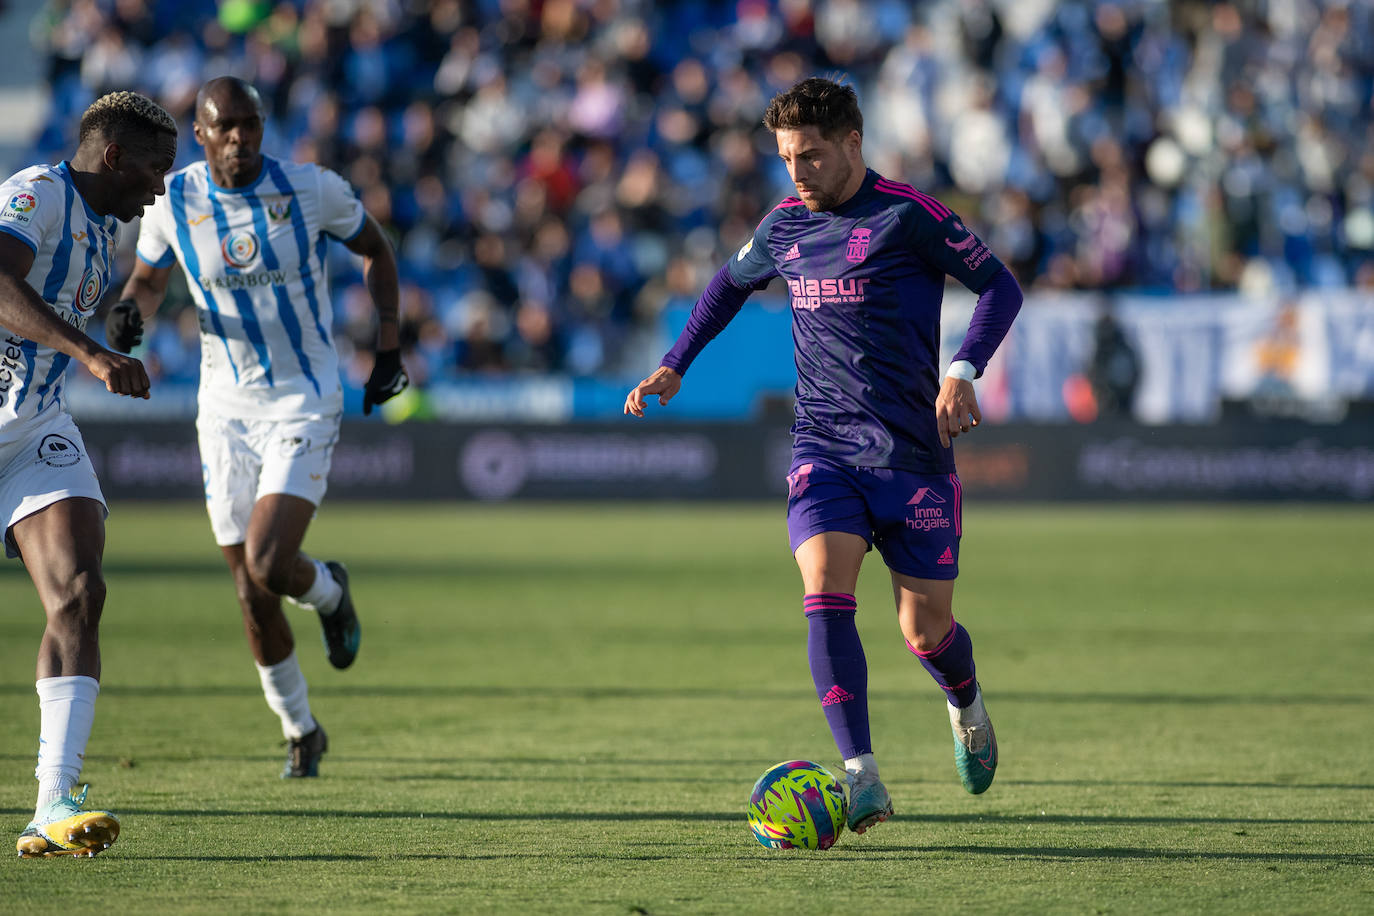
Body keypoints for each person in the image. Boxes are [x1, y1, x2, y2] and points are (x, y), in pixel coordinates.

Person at [625, 77, 1024, 834]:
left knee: (925, 629)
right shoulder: (782, 227)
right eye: (785, 158)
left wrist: (961, 371)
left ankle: (964, 698)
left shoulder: (910, 216)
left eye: (810, 156)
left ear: (852, 143)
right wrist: (677, 362)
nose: (798, 173)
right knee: (823, 580)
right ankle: (861, 773)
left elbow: (999, 287)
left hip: (913, 455)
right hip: (824, 448)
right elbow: (725, 287)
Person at [114, 77, 407, 778]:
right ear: (202, 133)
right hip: (224, 411)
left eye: (252, 124)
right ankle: (301, 728)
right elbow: (149, 280)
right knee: (249, 590)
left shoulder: (312, 190)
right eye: (228, 127)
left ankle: (329, 591)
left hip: (304, 398)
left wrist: (390, 343)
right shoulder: (175, 199)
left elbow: (377, 250)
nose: (242, 138)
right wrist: (131, 309)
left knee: (271, 564)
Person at [2, 90, 177, 857]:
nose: (160, 187)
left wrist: (111, 331)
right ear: (112, 157)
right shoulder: (34, 192)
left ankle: (53, 801)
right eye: (153, 169)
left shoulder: (105, 228)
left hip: (35, 429)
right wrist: (92, 353)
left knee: (80, 592)